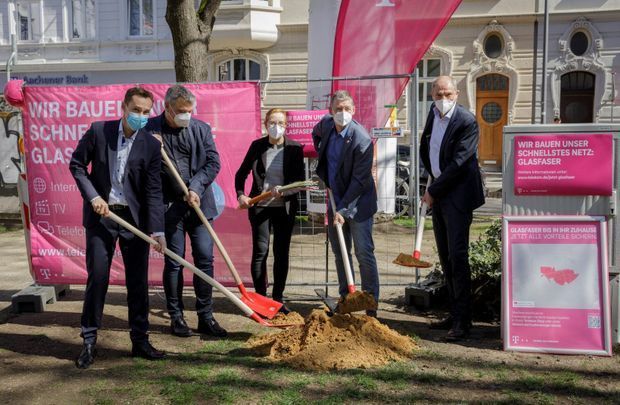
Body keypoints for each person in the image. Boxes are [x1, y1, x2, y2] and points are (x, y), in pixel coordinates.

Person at [70, 86, 167, 369]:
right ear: (123, 108)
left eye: (146, 112)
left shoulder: (151, 145)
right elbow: (77, 165)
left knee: (138, 282)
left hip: (133, 222)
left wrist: (157, 231)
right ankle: (89, 340)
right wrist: (94, 196)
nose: (140, 116)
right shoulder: (99, 132)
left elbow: (153, 191)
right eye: (136, 110)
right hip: (102, 218)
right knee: (98, 277)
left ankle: (140, 340)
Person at [146, 85, 227, 338]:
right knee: (174, 262)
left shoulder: (201, 129)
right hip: (170, 209)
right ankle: (176, 316)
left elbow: (213, 162)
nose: (186, 115)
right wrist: (150, 148)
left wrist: (195, 187)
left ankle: (206, 316)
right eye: (181, 111)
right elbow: (145, 173)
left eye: (190, 111)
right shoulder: (150, 132)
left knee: (204, 260)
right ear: (167, 108)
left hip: (199, 204)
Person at [419, 76, 485, 341]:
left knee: (458, 257)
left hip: (457, 196)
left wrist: (433, 191)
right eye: (438, 94)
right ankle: (454, 312)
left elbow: (459, 163)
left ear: (457, 94)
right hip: (440, 192)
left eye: (448, 94)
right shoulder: (433, 115)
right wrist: (431, 184)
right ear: (432, 94)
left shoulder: (466, 121)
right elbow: (429, 148)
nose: (443, 98)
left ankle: (463, 321)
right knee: (445, 256)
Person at [311, 90, 380, 316]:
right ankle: (346, 299)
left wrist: (342, 209)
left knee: (363, 252)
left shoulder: (361, 139)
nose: (342, 113)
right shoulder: (326, 126)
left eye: (347, 109)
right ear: (331, 111)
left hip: (359, 202)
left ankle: (370, 305)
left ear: (354, 111)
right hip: (335, 196)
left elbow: (360, 180)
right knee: (341, 252)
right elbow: (316, 135)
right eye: (338, 109)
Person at [235, 108, 305, 313]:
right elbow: (241, 174)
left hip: (284, 208)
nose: (277, 127)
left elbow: (299, 180)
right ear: (266, 124)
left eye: (281, 123)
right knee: (260, 252)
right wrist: (241, 195)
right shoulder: (257, 146)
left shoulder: (294, 148)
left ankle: (278, 299)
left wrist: (284, 191)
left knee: (281, 253)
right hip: (260, 208)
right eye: (272, 122)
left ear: (286, 125)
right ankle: (259, 298)